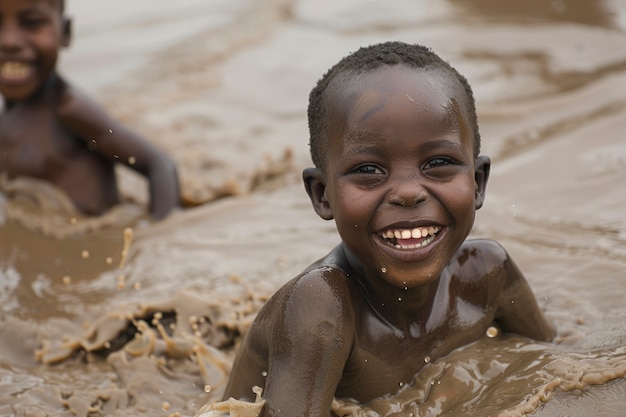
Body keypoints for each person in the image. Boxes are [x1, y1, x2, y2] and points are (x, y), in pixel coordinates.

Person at [221, 41, 556, 416]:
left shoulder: (487, 274)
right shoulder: (321, 307)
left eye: (439, 162)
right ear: (322, 195)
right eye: (368, 170)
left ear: (477, 182)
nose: (409, 192)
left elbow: (557, 369)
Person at [0, 0, 179, 220]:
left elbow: (159, 165)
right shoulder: (7, 115)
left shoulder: (70, 111)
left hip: (92, 241)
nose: (8, 41)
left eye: (32, 23)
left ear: (65, 33)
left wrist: (160, 238)